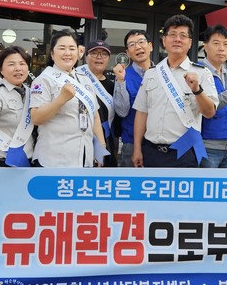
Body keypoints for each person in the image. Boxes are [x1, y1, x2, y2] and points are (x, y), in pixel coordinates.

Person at [132, 14, 218, 169]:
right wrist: (137, 147)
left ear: (190, 42)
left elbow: (209, 112)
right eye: (172, 34)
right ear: (164, 40)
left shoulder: (202, 73)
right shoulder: (152, 73)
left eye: (183, 36)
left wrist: (197, 90)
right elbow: (142, 112)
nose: (177, 39)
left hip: (184, 151)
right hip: (151, 151)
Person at [29, 29, 107, 168]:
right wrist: (61, 99)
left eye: (72, 48)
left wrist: (101, 147)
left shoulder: (85, 79)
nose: (67, 53)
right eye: (62, 48)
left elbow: (94, 115)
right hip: (54, 159)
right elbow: (36, 118)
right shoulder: (43, 80)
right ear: (52, 54)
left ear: (78, 52)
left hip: (85, 157)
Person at [0, 46, 35, 167]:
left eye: (22, 64)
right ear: (1, 69)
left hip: (27, 161)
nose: (18, 68)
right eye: (11, 64)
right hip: (0, 161)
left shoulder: (32, 93)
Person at [199, 25, 227, 168]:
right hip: (207, 145)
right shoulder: (198, 72)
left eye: (226, 44)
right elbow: (205, 107)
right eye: (216, 43)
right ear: (206, 47)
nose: (221, 48)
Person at [113, 29, 153, 167]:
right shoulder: (123, 75)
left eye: (141, 42)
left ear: (150, 46)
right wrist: (121, 81)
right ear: (128, 53)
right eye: (132, 45)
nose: (138, 47)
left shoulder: (163, 74)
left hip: (158, 145)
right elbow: (122, 112)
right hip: (131, 143)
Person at [77, 40, 118, 167]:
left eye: (104, 54)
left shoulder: (113, 85)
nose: (99, 57)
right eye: (94, 53)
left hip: (106, 139)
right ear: (86, 57)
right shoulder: (76, 79)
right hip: (81, 139)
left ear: (108, 58)